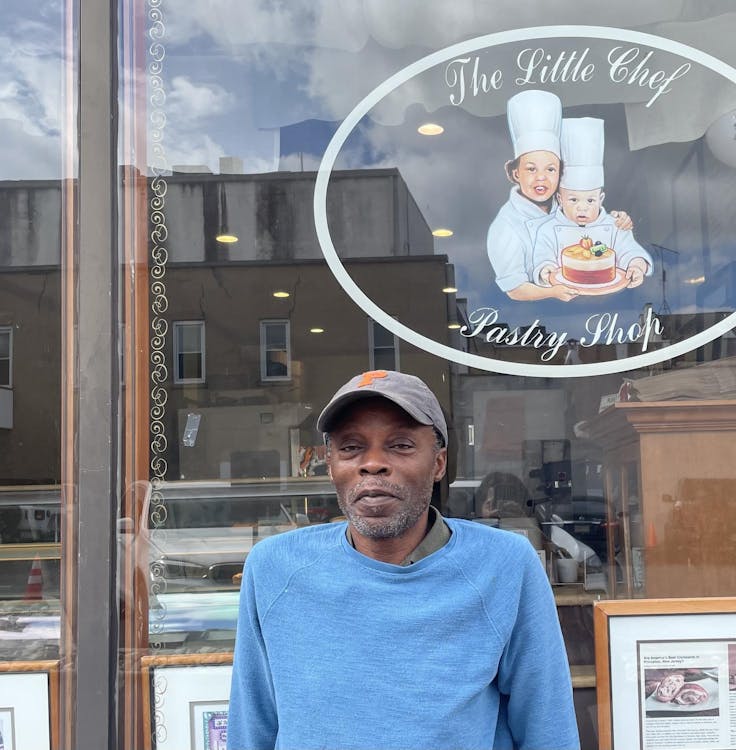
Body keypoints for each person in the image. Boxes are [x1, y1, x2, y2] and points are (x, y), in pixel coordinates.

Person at [228, 369, 580, 750]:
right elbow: (253, 727)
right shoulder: (275, 567)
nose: (373, 463)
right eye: (350, 447)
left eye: (400, 445)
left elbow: (548, 729)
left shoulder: (504, 565)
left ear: (439, 463)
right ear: (330, 465)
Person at [487, 91, 632, 302]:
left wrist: (618, 221)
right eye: (531, 169)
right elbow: (514, 289)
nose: (541, 178)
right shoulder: (505, 227)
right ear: (516, 173)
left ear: (560, 173)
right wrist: (551, 292)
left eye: (551, 169)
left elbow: (597, 233)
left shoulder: (567, 207)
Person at [533, 118, 653, 291]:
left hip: (614, 299)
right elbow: (541, 257)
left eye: (590, 200)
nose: (582, 207)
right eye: (573, 200)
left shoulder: (615, 226)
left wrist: (637, 266)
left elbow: (630, 251)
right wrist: (545, 270)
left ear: (601, 199)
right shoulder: (547, 230)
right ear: (560, 199)